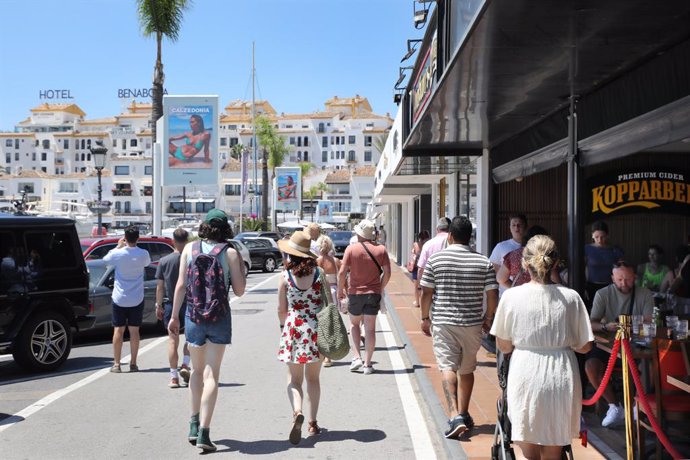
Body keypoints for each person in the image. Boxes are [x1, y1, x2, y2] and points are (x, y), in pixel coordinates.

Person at [491, 235, 594, 460]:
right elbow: (585, 346)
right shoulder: (571, 297)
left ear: (525, 264)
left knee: (526, 447)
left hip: (525, 372)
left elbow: (504, 346)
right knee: (554, 448)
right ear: (555, 263)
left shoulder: (511, 297)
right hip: (561, 374)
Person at [168, 209, 246, 452]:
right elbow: (241, 290)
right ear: (225, 228)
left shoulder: (190, 250)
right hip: (219, 316)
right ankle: (204, 431)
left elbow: (181, 285)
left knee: (196, 371)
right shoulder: (230, 252)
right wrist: (241, 268)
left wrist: (173, 317)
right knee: (212, 375)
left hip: (193, 315)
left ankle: (192, 422)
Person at [419, 216, 498, 439]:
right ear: (470, 237)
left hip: (443, 322)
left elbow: (426, 292)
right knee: (467, 369)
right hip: (472, 324)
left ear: (450, 236)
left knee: (447, 367)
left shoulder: (437, 260)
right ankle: (464, 413)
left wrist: (425, 317)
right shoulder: (483, 262)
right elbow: (492, 294)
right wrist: (488, 318)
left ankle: (454, 415)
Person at [585, 261, 653, 427]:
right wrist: (604, 326)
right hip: (609, 344)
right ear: (612, 279)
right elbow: (591, 323)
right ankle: (614, 406)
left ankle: (638, 404)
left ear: (635, 277)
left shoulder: (645, 294)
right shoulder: (603, 294)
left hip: (636, 344)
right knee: (591, 366)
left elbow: (649, 322)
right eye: (620, 279)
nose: (624, 283)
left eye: (628, 279)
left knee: (649, 365)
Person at [277, 231, 325, 444]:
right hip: (316, 329)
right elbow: (328, 304)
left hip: (294, 329)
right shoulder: (319, 273)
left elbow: (281, 309)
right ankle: (313, 422)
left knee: (294, 380)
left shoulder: (285, 276)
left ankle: (297, 411)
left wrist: (283, 327)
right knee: (313, 379)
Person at [338, 219, 391, 375]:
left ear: (359, 234)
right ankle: (368, 365)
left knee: (354, 325)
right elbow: (387, 273)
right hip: (373, 293)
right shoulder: (381, 250)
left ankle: (356, 357)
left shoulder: (351, 249)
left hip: (355, 293)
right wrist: (380, 288)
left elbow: (342, 272)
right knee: (370, 329)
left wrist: (340, 290)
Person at [102, 226, 151, 373]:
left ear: (125, 237)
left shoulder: (118, 253)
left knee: (118, 330)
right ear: (138, 238)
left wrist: (118, 246)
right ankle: (133, 363)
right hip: (136, 297)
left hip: (119, 297)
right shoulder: (143, 253)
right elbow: (147, 263)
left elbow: (105, 260)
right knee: (134, 331)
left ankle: (117, 364)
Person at [155, 228, 192, 388]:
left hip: (171, 305)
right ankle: (185, 364)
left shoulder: (164, 261)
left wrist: (158, 305)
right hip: (190, 304)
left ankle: (173, 377)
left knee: (172, 341)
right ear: (187, 240)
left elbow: (160, 286)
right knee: (191, 339)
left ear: (173, 241)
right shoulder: (192, 259)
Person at [496, 225, 561, 289]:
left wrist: (515, 290)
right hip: (545, 294)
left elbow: (500, 279)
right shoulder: (547, 254)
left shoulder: (514, 255)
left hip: (520, 296)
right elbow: (556, 280)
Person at [584, 220, 624, 307]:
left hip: (609, 286)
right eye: (596, 237)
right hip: (591, 286)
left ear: (607, 236)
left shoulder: (614, 250)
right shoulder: (587, 249)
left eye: (603, 237)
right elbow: (581, 269)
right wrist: (583, 287)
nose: (600, 240)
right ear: (592, 235)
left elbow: (621, 269)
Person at [316, 234, 341, 368]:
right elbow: (342, 277)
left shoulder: (317, 261)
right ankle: (328, 356)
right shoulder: (336, 261)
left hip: (320, 293)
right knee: (331, 322)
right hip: (334, 292)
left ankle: (323, 353)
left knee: (321, 324)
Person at [489, 214, 527, 296]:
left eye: (519, 225)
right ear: (510, 228)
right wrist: (513, 287)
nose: (516, 228)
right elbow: (494, 268)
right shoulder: (501, 246)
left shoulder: (532, 247)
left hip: (529, 293)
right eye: (513, 225)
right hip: (506, 294)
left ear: (525, 227)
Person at [416, 217, 452, 285]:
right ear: (450, 229)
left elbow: (421, 270)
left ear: (437, 229)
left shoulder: (428, 245)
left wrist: (421, 287)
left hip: (433, 287)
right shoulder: (454, 242)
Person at [411, 230, 431, 308]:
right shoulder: (429, 245)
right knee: (425, 287)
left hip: (417, 267)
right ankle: (424, 303)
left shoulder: (416, 244)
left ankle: (417, 302)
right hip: (426, 268)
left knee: (416, 286)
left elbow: (413, 253)